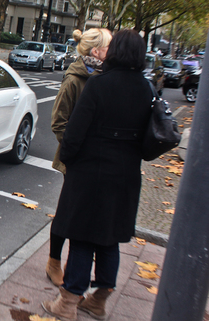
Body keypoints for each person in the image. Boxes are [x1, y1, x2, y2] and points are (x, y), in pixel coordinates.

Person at [43, 29, 153, 321]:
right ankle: (100, 299)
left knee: (81, 236)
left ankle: (67, 303)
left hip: (91, 173)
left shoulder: (98, 85)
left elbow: (74, 134)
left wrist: (69, 159)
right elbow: (148, 140)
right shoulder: (147, 90)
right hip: (125, 176)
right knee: (109, 238)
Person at [46, 28, 113, 287]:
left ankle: (73, 264)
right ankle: (53, 261)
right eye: (108, 46)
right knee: (67, 211)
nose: (112, 51)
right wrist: (74, 152)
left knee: (79, 213)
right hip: (75, 159)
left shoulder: (104, 75)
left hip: (94, 160)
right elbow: (58, 122)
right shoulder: (75, 79)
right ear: (95, 51)